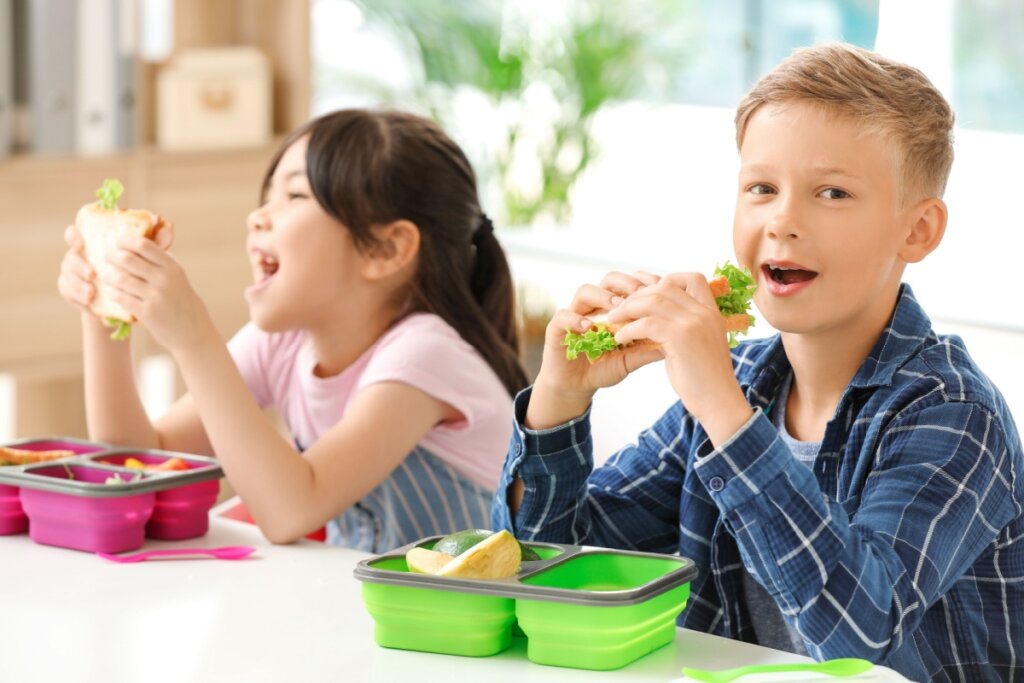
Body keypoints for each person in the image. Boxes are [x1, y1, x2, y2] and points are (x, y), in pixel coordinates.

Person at [491, 43, 1024, 682]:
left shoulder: (954, 413)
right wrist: (559, 398)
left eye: (832, 192)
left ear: (917, 231)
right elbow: (541, 567)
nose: (782, 220)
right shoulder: (742, 382)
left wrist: (722, 407)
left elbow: (860, 632)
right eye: (761, 188)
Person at [58, 108, 528, 552]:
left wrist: (193, 337)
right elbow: (139, 458)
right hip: (378, 616)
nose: (257, 216)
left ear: (386, 249)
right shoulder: (283, 344)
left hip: (475, 622)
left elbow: (291, 511)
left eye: (295, 196)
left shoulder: (425, 355)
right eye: (267, 196)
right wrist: (104, 312)